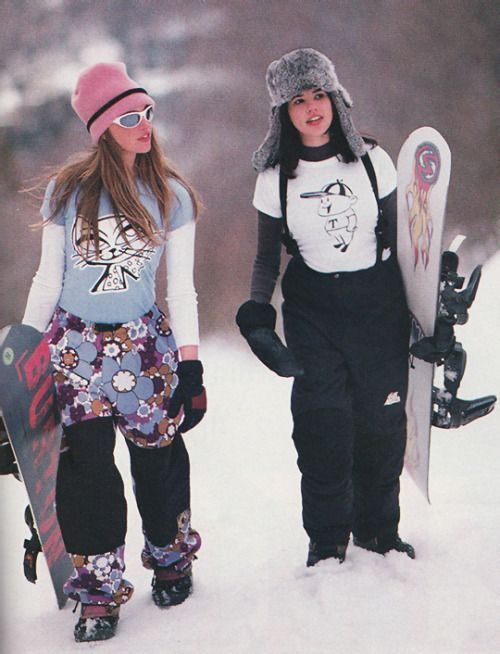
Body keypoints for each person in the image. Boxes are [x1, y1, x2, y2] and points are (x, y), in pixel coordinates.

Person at [22, 62, 206, 642]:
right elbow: (47, 282)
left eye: (148, 112)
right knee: (86, 471)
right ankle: (99, 592)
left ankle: (170, 557)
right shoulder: (68, 192)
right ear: (103, 128)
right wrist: (23, 356)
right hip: (75, 349)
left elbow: (181, 288)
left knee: (159, 459)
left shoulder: (170, 195)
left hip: (144, 348)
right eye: (130, 117)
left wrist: (192, 363)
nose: (144, 124)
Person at [236, 48, 415, 567]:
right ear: (282, 112)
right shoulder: (275, 178)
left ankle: (379, 532)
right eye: (298, 99)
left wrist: (426, 312)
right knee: (322, 424)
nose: (312, 107)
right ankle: (327, 539)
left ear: (336, 98)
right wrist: (255, 314)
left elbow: (406, 245)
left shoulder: (374, 162)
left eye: (319, 94)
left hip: (378, 304)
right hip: (314, 309)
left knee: (381, 427)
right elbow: (267, 258)